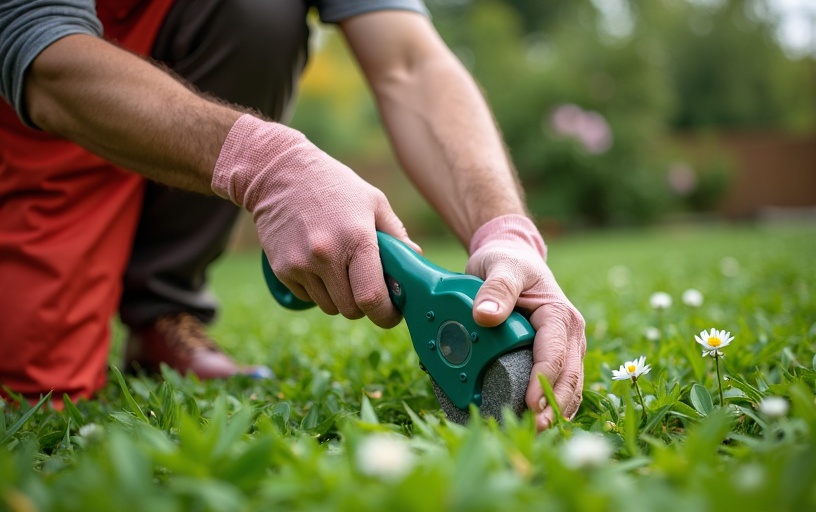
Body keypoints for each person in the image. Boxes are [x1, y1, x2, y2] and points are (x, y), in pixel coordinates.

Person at [0, 0, 586, 432]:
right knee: (30, 395)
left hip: (174, 116)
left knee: (260, 9)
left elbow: (409, 60)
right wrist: (267, 165)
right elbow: (42, 48)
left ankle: (163, 312)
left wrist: (505, 232)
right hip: (33, 119)